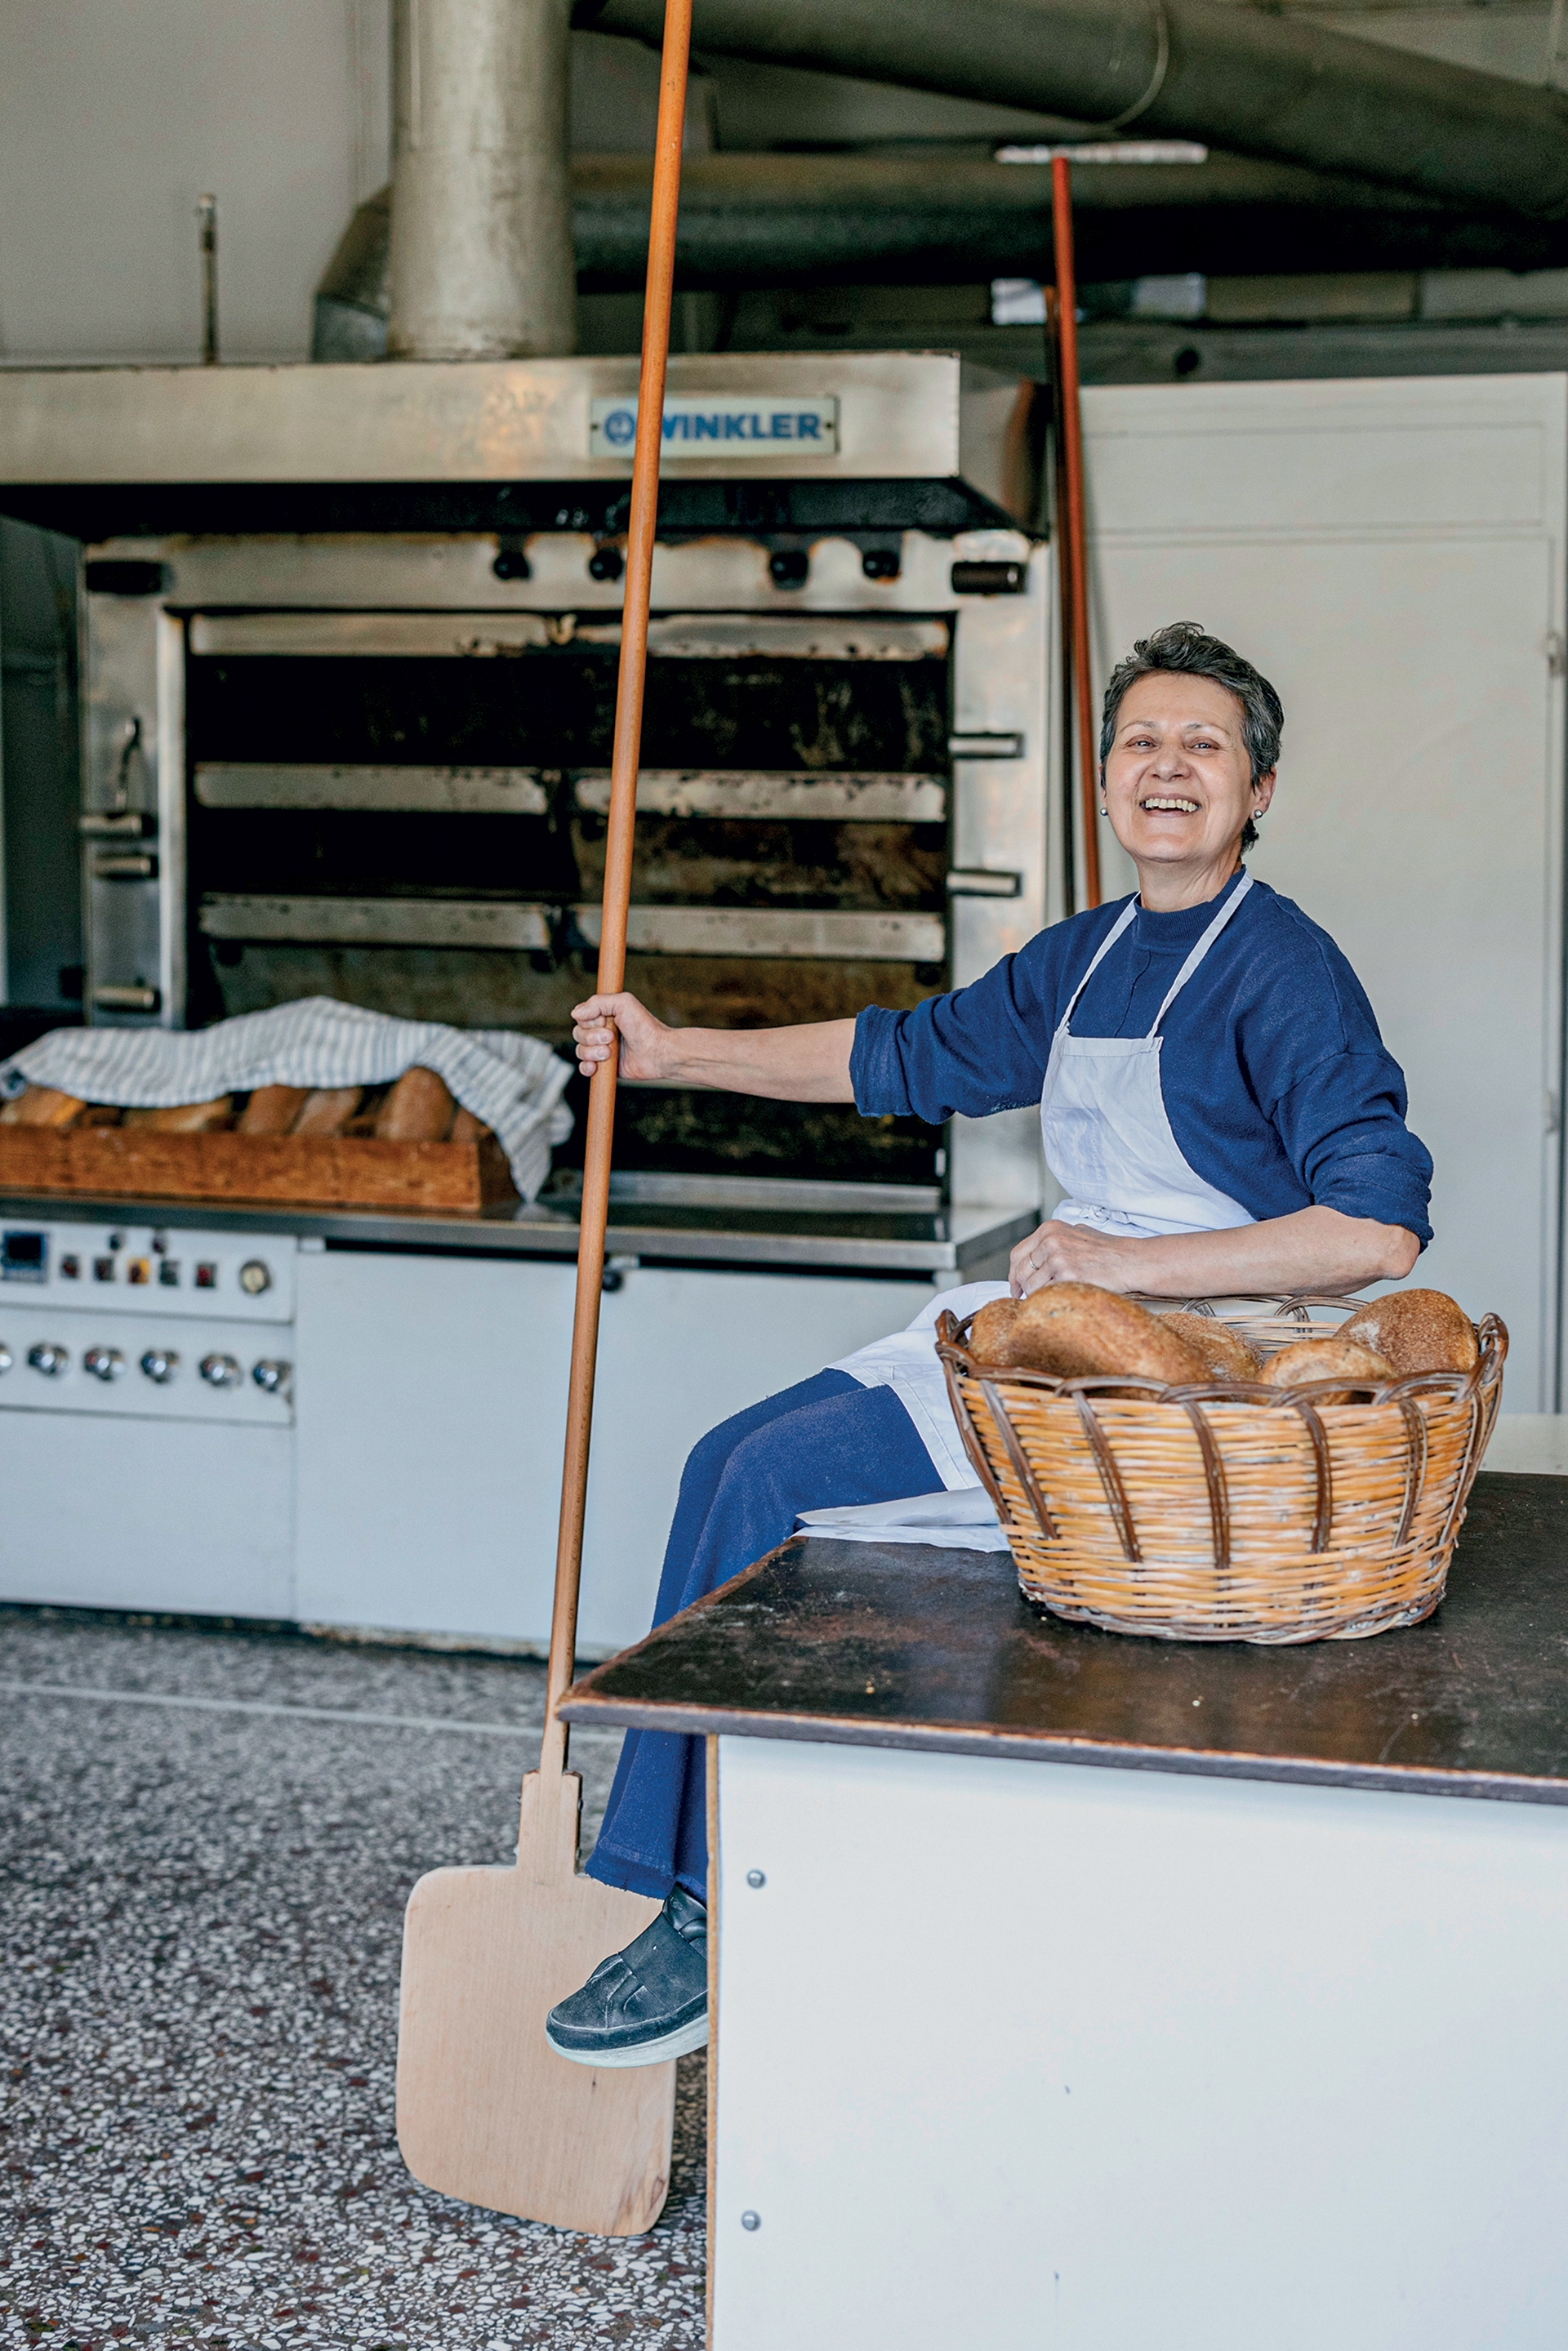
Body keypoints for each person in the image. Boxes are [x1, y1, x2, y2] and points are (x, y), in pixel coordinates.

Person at [543, 619, 1432, 2068]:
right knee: (729, 1459)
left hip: (1194, 1381)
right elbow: (898, 1055)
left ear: (1259, 788)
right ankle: (696, 1874)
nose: (1169, 766)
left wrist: (1128, 1263)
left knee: (771, 1488)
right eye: (1142, 740)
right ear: (1102, 784)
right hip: (1062, 1336)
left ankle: (703, 1906)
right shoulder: (1081, 963)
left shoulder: (1286, 971)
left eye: (1204, 744)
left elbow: (1377, 1232)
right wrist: (673, 1053)